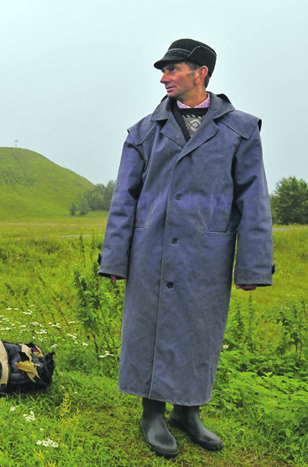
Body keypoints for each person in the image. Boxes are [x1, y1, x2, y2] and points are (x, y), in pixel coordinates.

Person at [98, 38, 274, 458]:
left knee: (200, 332)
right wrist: (115, 257)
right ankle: (152, 413)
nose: (164, 77)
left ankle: (188, 412)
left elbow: (253, 199)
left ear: (201, 73)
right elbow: (125, 198)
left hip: (207, 255)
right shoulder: (143, 132)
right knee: (150, 330)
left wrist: (253, 266)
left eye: (173, 69)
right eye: (163, 70)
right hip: (151, 250)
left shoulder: (241, 129)